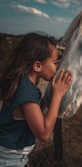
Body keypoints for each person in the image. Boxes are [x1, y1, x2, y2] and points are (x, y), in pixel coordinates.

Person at [0, 32, 72, 167]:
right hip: (8, 159)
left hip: (10, 155)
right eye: (55, 62)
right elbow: (44, 134)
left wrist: (45, 101)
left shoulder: (24, 83)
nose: (56, 67)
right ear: (37, 66)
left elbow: (30, 117)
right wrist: (57, 95)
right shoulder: (25, 90)